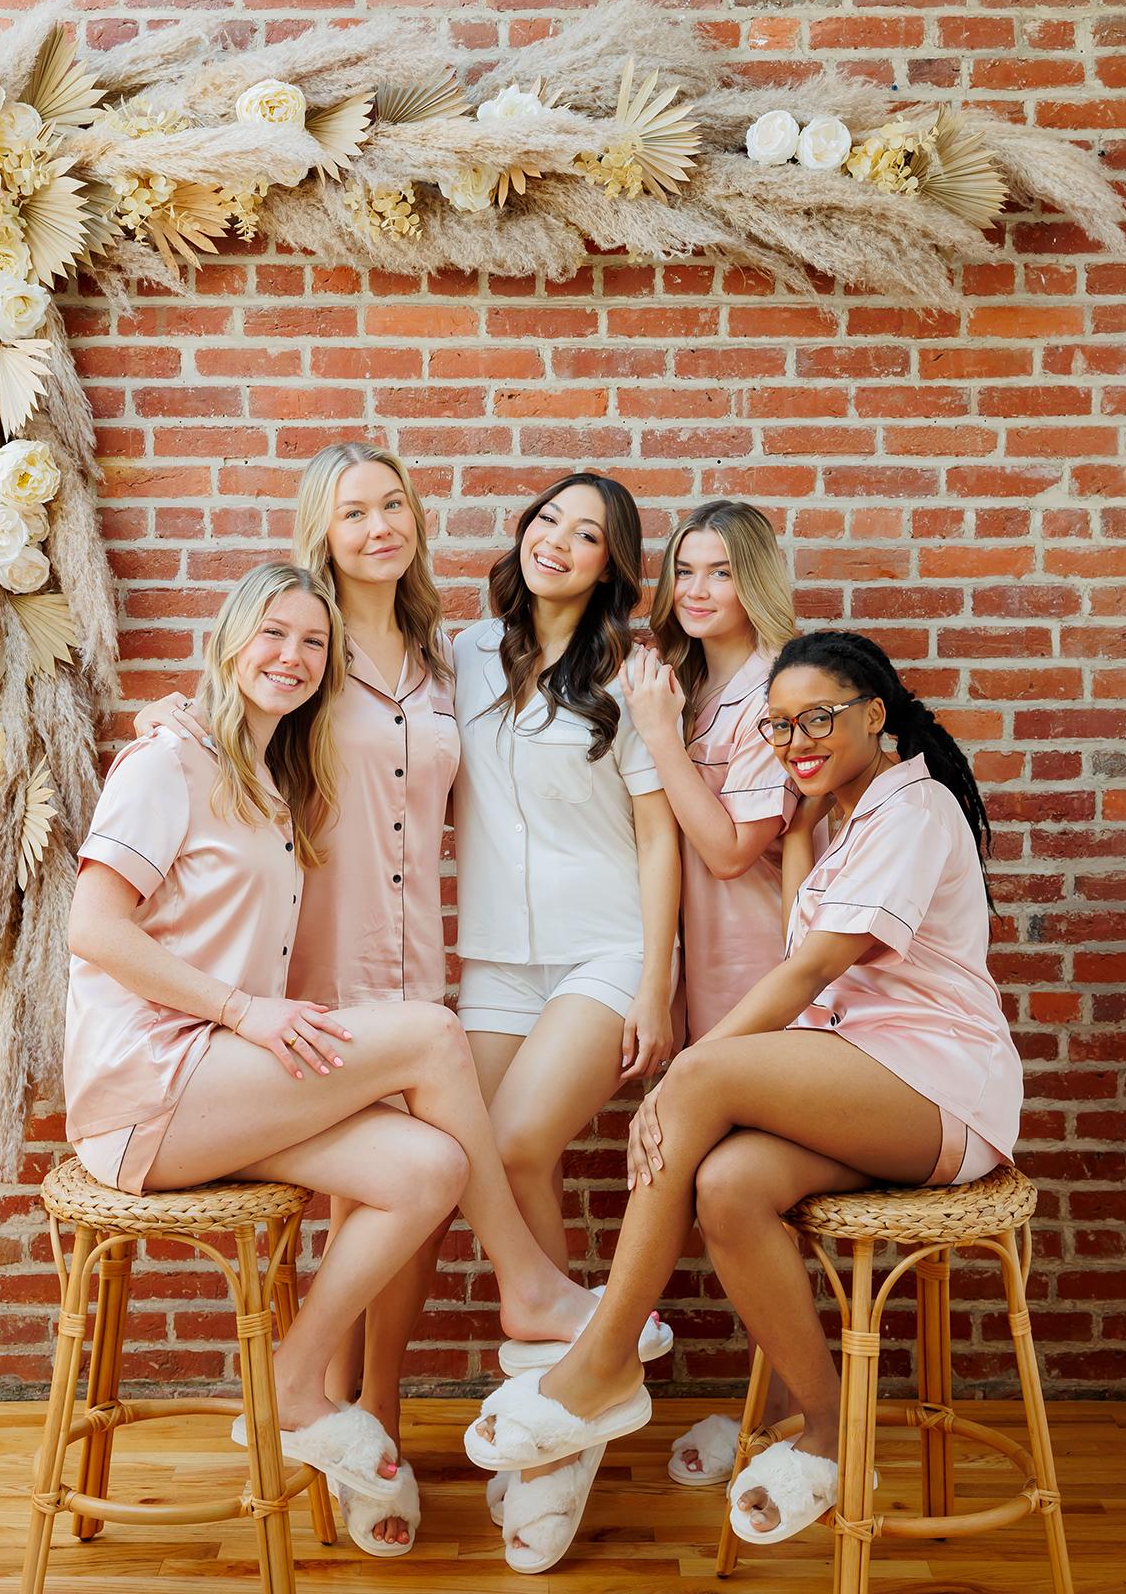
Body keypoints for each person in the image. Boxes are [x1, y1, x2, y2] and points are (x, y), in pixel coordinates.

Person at [465, 627, 1023, 1554]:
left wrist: (681, 1075)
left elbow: (807, 973)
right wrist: (803, 822)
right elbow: (807, 933)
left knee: (708, 1074)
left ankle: (603, 1363)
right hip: (869, 1073)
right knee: (727, 1187)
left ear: (875, 715)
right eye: (777, 727)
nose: (797, 739)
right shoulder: (846, 815)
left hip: (940, 1085)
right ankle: (830, 1434)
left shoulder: (913, 810)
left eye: (819, 719)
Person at [66, 562, 601, 1523]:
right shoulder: (166, 763)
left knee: (429, 1166)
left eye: (314, 643)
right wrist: (244, 1012)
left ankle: (295, 1379)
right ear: (229, 639)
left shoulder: (271, 778)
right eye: (272, 634)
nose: (293, 657)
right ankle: (529, 1285)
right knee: (435, 1038)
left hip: (223, 1089)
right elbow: (95, 930)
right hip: (151, 1085)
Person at [136, 442, 458, 1553]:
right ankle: (328, 1413)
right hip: (309, 969)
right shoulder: (298, 650)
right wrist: (177, 720)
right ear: (317, 533)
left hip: (422, 955)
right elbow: (225, 736)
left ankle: (381, 1417)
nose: (377, 525)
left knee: (422, 1190)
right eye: (351, 510)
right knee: (351, 1197)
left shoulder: (442, 654)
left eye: (392, 503)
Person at [451, 471, 681, 1568]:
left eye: (589, 535)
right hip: (492, 960)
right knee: (487, 1170)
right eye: (551, 520)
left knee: (518, 1143)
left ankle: (587, 1361)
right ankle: (566, 1433)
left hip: (603, 950)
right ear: (524, 534)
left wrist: (655, 984)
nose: (562, 542)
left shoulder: (628, 674)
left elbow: (656, 837)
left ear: (609, 568)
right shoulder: (455, 655)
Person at [618, 499, 801, 1488]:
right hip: (704, 973)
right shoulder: (688, 684)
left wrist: (655, 734)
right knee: (719, 1191)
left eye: (721, 572)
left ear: (756, 580)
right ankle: (768, 1409)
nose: (696, 590)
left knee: (733, 1189)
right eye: (684, 570)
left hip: (767, 974)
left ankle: (775, 1413)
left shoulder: (777, 685)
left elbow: (732, 851)